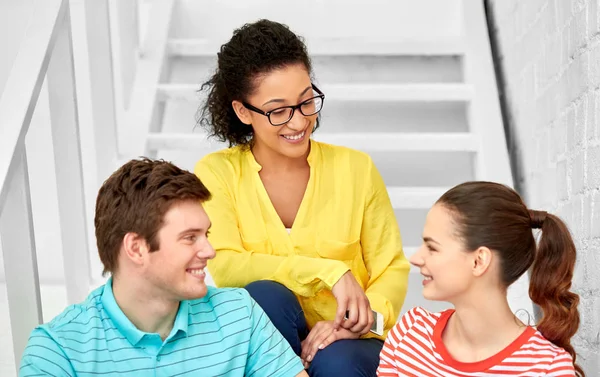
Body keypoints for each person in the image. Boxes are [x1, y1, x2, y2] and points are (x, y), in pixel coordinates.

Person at [194, 19, 410, 377]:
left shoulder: (356, 169)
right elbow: (228, 266)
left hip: (352, 341)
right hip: (267, 334)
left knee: (337, 362)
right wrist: (328, 271)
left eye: (307, 101)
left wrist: (355, 320)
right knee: (263, 296)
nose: (298, 122)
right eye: (278, 110)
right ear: (243, 111)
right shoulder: (218, 173)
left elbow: (391, 269)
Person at [19, 159, 307, 377]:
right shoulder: (58, 350)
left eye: (205, 235)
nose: (208, 251)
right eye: (189, 238)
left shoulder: (239, 313)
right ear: (136, 248)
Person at [377, 181, 584, 377]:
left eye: (432, 247)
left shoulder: (548, 368)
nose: (416, 258)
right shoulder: (410, 335)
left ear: (479, 261)